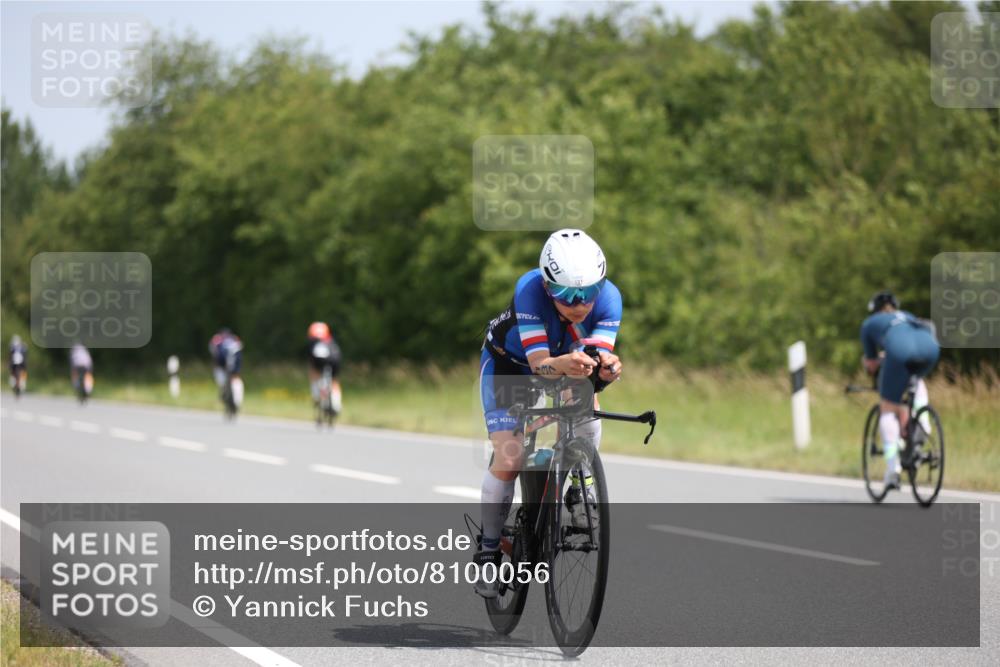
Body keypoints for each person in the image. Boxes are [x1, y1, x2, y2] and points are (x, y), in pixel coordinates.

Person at [474, 228, 623, 598]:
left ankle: (581, 485)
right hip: (509, 367)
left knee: (587, 401)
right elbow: (539, 364)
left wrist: (605, 368)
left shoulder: (610, 299)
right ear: (546, 285)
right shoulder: (529, 289)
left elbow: (593, 360)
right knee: (510, 456)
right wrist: (570, 364)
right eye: (566, 294)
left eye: (588, 292)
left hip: (564, 364)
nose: (578, 304)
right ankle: (488, 549)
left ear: (601, 285)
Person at [860, 291, 940, 490]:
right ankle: (923, 422)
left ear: (875, 310)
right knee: (916, 379)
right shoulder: (907, 316)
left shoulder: (870, 323)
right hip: (930, 347)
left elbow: (871, 363)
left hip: (898, 351)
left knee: (887, 408)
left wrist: (871, 365)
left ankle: (892, 470)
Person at [306, 321, 342, 415]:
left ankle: (316, 396)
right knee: (334, 380)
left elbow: (311, 359)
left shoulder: (312, 341)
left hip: (319, 361)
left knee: (314, 372)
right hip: (334, 360)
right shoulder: (331, 341)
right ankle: (336, 404)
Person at [208, 328, 244, 409]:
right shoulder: (234, 339)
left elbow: (214, 353)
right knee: (235, 379)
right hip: (231, 361)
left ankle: (225, 395)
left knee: (224, 383)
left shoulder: (217, 340)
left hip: (221, 364)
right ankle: (236, 401)